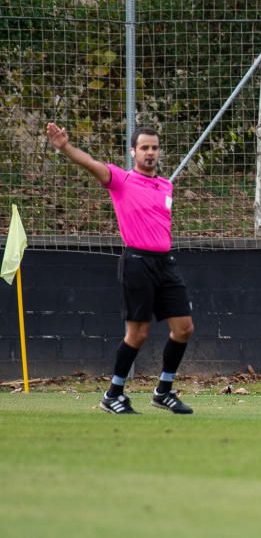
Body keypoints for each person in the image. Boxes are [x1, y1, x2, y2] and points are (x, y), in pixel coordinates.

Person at [46, 123, 194, 415]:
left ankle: (163, 391)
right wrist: (65, 147)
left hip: (166, 263)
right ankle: (113, 394)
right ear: (133, 151)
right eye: (144, 148)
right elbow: (90, 163)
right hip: (137, 263)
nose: (150, 153)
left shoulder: (166, 185)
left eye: (154, 147)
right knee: (137, 334)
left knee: (184, 328)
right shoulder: (121, 179)